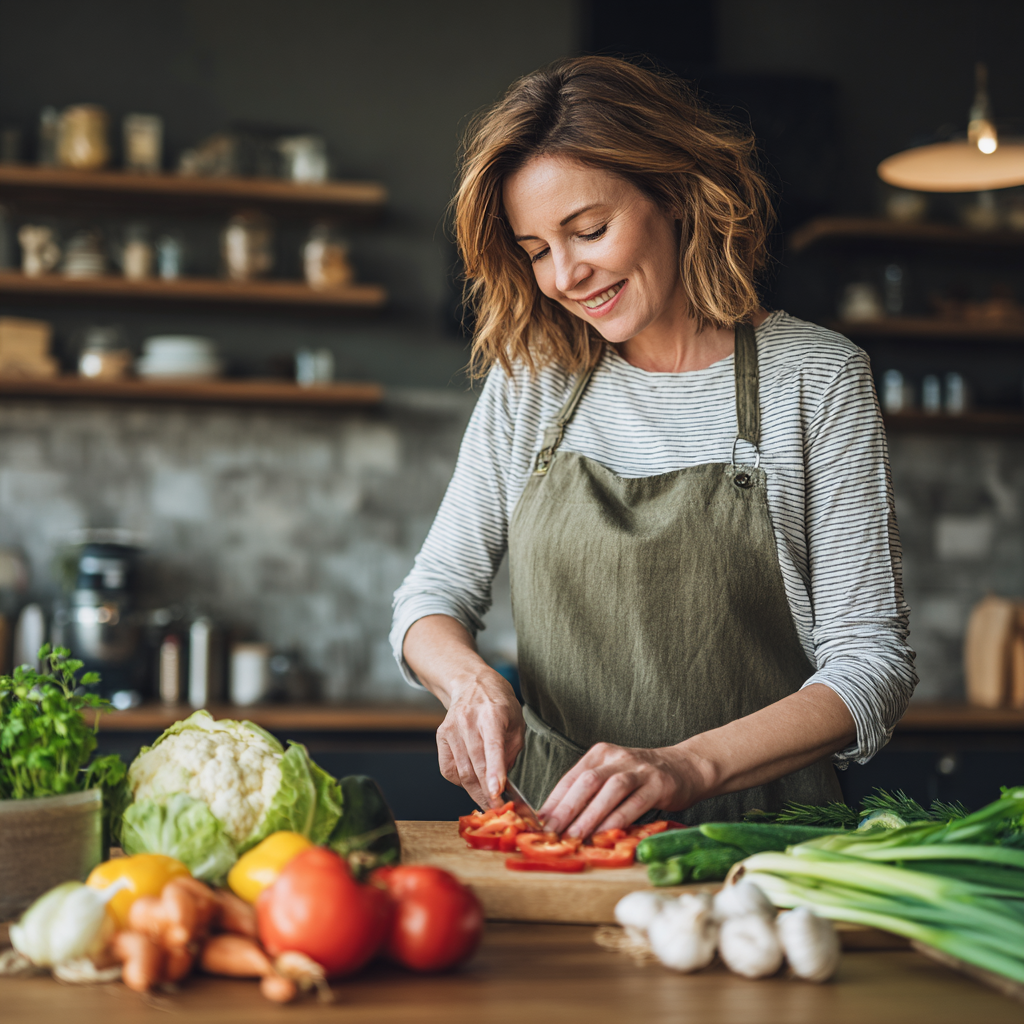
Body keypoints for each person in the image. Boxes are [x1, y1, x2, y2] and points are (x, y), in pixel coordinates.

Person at [391, 56, 916, 838]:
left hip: (765, 846)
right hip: (563, 832)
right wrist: (470, 685)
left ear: (673, 193)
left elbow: (872, 666)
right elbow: (429, 596)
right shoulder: (532, 380)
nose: (564, 275)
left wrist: (687, 767)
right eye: (536, 249)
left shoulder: (813, 376)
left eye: (589, 230)